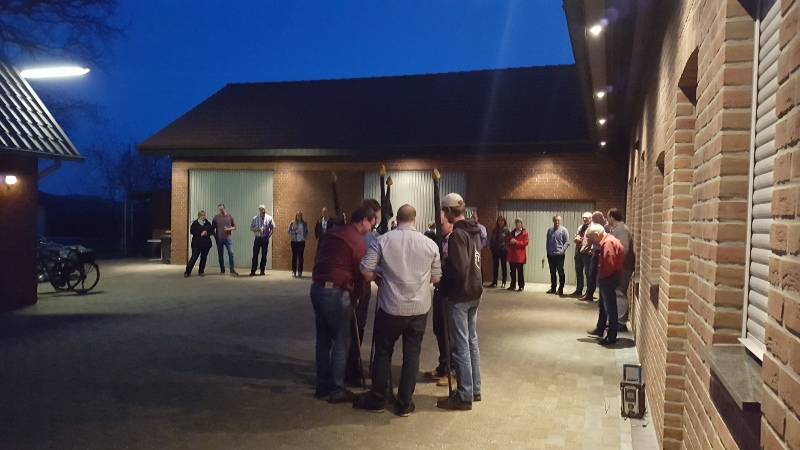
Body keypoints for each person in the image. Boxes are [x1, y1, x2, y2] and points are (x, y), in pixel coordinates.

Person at [353, 205, 441, 416]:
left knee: (383, 351)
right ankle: (404, 403)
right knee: (412, 353)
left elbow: (365, 269)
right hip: (418, 308)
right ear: (414, 219)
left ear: (397, 219)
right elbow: (436, 278)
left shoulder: (382, 240)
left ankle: (377, 398)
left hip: (390, 306)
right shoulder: (430, 244)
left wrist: (378, 278)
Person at [310, 204, 376, 403]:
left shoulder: (331, 234)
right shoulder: (356, 241)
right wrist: (357, 296)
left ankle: (322, 385)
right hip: (337, 293)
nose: (371, 228)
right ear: (364, 220)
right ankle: (337, 388)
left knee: (323, 341)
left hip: (317, 288)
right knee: (341, 340)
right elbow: (362, 272)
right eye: (372, 223)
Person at [436, 193, 483, 411]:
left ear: (448, 211)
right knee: (472, 341)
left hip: (461, 294)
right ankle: (474, 388)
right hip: (474, 291)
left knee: (461, 345)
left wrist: (444, 281)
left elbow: (459, 268)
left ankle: (464, 395)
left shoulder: (457, 235)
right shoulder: (474, 231)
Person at [345, 198, 381, 387]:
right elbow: (367, 262)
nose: (376, 222)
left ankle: (352, 364)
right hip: (359, 284)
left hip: (360, 283)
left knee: (357, 326)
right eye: (375, 217)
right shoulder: (366, 236)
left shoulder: (369, 234)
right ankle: (351, 367)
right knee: (356, 327)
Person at [584, 223, 625, 346]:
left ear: (597, 234)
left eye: (592, 238)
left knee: (610, 308)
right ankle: (601, 329)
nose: (592, 241)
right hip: (609, 278)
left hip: (608, 279)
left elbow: (609, 265)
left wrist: (602, 276)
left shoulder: (608, 243)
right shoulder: (609, 241)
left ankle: (611, 336)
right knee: (604, 305)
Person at [607, 208, 634, 332]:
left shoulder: (622, 229)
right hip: (621, 266)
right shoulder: (618, 229)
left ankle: (621, 322)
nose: (607, 219)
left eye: (608, 217)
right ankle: (616, 320)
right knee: (617, 293)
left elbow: (624, 249)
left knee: (620, 293)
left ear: (612, 217)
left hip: (623, 267)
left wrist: (615, 264)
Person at [579, 211, 607, 302]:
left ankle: (602, 298)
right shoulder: (595, 228)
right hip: (595, 253)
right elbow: (590, 240)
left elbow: (597, 241)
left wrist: (589, 246)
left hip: (601, 253)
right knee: (591, 275)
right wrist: (586, 247)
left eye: (593, 219)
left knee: (601, 276)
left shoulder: (604, 229)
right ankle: (589, 295)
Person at [545, 215, 570, 295]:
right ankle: (553, 288)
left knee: (560, 272)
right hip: (550, 255)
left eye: (558, 220)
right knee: (552, 272)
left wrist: (562, 251)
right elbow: (548, 241)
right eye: (555, 220)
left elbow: (567, 242)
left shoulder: (564, 230)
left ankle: (561, 288)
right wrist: (548, 252)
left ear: (560, 221)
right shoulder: (549, 230)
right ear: (553, 221)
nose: (557, 222)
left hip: (559, 256)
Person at [211, 203, 238, 276]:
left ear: (224, 208)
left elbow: (235, 227)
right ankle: (222, 270)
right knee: (220, 255)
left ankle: (232, 270)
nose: (221, 210)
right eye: (219, 209)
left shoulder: (229, 216)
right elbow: (212, 229)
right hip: (219, 239)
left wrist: (228, 229)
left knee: (231, 253)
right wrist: (215, 237)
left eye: (222, 209)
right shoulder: (216, 218)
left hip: (227, 238)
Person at [185, 210, 213, 277]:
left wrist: (207, 233)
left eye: (204, 215)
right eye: (202, 215)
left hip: (206, 244)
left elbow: (212, 232)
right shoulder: (195, 223)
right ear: (199, 216)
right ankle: (187, 272)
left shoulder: (208, 223)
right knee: (194, 258)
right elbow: (192, 231)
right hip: (196, 244)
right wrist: (200, 233)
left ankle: (201, 271)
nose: (204, 217)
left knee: (203, 258)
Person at [250, 205, 275, 277]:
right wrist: (258, 229)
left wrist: (269, 236)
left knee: (264, 255)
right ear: (259, 210)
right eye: (261, 209)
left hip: (265, 239)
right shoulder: (255, 218)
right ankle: (253, 271)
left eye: (264, 209)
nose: (263, 211)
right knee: (255, 255)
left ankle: (262, 270)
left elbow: (272, 228)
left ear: (265, 210)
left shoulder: (269, 218)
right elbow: (251, 228)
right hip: (257, 238)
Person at [571, 212, 592, 297]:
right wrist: (576, 238)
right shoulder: (580, 227)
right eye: (583, 218)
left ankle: (588, 292)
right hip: (578, 251)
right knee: (578, 271)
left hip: (587, 253)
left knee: (587, 272)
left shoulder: (592, 228)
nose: (584, 219)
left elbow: (592, 240)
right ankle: (579, 290)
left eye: (586, 218)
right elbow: (577, 235)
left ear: (590, 218)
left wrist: (583, 240)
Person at [506, 218, 529, 292]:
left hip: (520, 256)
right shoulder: (512, 233)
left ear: (521, 224)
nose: (517, 225)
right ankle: (512, 285)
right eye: (516, 223)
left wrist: (516, 242)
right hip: (512, 255)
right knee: (512, 272)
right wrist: (509, 242)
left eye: (519, 223)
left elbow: (525, 243)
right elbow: (507, 241)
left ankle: (521, 286)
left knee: (520, 272)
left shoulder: (525, 233)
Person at [488, 215, 510, 288]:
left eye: (502, 221)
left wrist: (506, 247)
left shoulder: (507, 230)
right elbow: (492, 239)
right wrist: (491, 247)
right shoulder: (495, 230)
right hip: (495, 250)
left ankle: (504, 282)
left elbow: (508, 240)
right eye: (499, 221)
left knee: (503, 266)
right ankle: (494, 282)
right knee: (495, 266)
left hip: (503, 250)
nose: (500, 222)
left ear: (504, 222)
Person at [288, 211, 309, 277]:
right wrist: (292, 234)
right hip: (294, 241)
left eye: (300, 215)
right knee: (294, 256)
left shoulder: (304, 223)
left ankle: (300, 271)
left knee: (300, 257)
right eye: (298, 215)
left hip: (301, 242)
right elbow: (288, 231)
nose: (299, 217)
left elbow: (307, 231)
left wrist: (305, 237)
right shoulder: (292, 223)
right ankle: (294, 271)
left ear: (301, 216)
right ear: (296, 216)